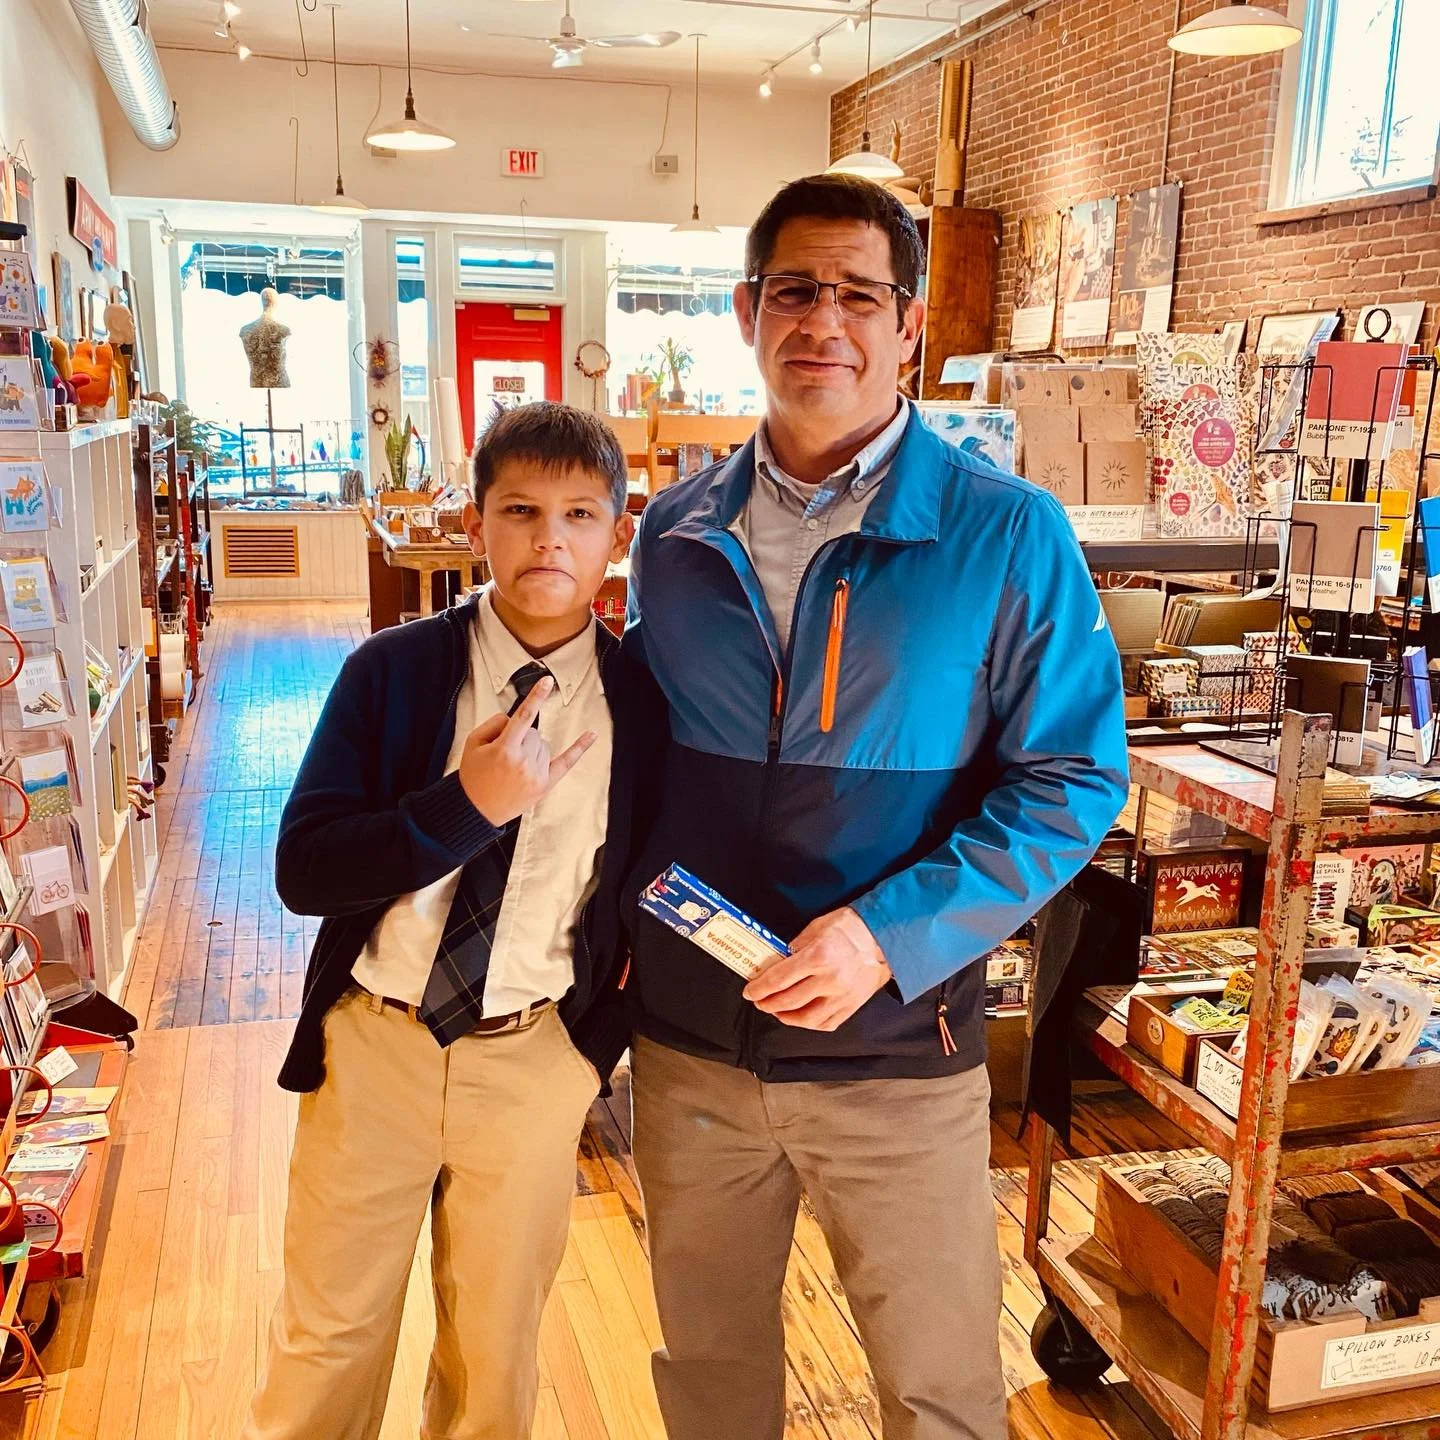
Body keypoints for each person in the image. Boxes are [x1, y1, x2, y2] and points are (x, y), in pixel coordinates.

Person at [621, 174, 1130, 1440]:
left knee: (938, 1391)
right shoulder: (674, 536)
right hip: (692, 1051)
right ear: (748, 310)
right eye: (795, 289)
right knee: (710, 1378)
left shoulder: (1008, 536)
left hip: (902, 1056)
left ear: (910, 327)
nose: (824, 322)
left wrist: (887, 937)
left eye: (861, 293)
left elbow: (1074, 780)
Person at [244, 402, 658, 1440]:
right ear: (476, 526)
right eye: (519, 510)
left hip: (531, 1058)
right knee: (327, 1339)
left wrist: (586, 1053)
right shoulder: (391, 672)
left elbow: (651, 892)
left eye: (578, 514)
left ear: (619, 535)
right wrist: (463, 809)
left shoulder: (644, 707)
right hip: (374, 1047)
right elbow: (305, 867)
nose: (548, 539)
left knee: (495, 1352)